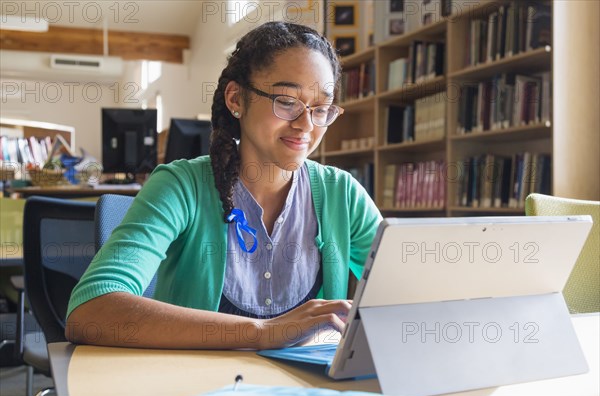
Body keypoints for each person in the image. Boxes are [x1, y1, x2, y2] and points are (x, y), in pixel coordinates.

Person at [66, 21, 382, 350]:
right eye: (287, 101)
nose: (306, 125)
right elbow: (90, 310)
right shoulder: (180, 187)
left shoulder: (342, 194)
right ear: (236, 99)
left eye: (320, 109)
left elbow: (408, 291)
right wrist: (262, 332)